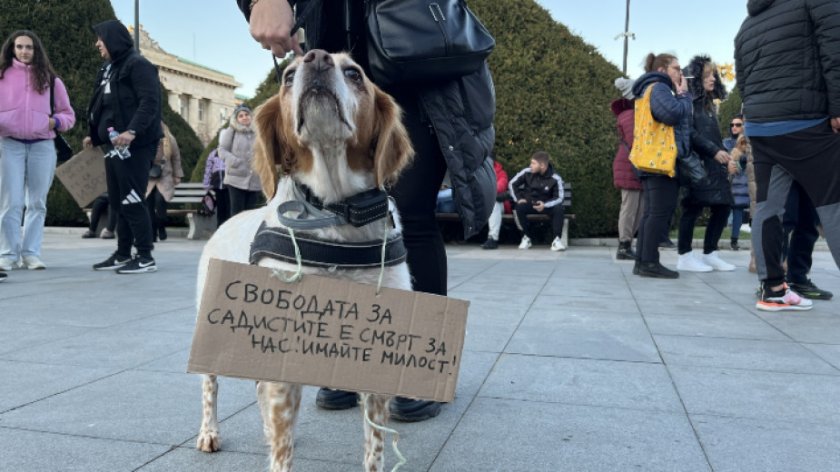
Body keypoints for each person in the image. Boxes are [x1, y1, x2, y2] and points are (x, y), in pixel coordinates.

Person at [237, 0, 496, 421]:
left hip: (417, 67)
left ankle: (421, 370)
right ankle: (341, 360)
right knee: (327, 216)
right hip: (334, 46)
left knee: (411, 216)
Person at [735, 0, 840, 311]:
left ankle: (773, 290)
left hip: (763, 128)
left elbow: (742, 78)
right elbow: (835, 51)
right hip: (808, 122)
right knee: (834, 204)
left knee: (767, 208)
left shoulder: (747, 23)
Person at [84, 20, 162, 274]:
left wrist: (132, 131)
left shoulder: (138, 65)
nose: (97, 44)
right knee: (118, 201)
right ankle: (122, 253)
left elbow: (149, 102)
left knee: (132, 198)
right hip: (113, 146)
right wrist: (93, 137)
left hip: (135, 146)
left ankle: (145, 256)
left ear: (113, 39)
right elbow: (102, 106)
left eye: (101, 39)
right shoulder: (108, 69)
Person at [0, 30, 76, 271]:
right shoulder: (2, 76)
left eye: (29, 47)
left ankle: (31, 253)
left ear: (36, 50)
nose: (24, 51)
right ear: (12, 49)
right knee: (10, 203)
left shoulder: (51, 80)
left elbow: (68, 115)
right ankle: (9, 254)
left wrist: (54, 122)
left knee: (37, 202)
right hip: (9, 144)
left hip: (43, 146)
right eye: (20, 47)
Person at [631, 52, 693, 279]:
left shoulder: (651, 89)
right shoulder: (658, 88)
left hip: (651, 159)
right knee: (658, 213)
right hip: (659, 160)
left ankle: (644, 261)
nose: (681, 73)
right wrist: (684, 95)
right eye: (676, 68)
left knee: (651, 213)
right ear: (663, 70)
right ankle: (648, 262)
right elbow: (673, 114)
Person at [675, 55, 735, 273]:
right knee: (692, 208)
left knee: (724, 205)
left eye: (714, 75)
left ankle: (710, 253)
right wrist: (714, 151)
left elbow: (714, 137)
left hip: (714, 164)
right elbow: (689, 133)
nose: (712, 79)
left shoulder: (709, 105)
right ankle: (685, 256)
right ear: (697, 78)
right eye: (707, 75)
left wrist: (726, 157)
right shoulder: (689, 103)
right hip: (697, 164)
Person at [781, 183, 833, 300]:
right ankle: (773, 281)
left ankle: (797, 279)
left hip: (812, 172)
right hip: (786, 169)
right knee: (783, 220)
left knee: (809, 222)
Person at [611, 77, 643, 260]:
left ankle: (627, 243)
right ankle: (624, 245)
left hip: (632, 164)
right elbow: (634, 141)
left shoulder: (632, 113)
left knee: (637, 208)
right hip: (630, 164)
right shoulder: (631, 115)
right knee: (630, 207)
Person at [508, 151, 566, 251]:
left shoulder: (555, 178)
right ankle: (526, 238)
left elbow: (560, 197)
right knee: (519, 207)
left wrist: (546, 205)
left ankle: (556, 241)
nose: (531, 165)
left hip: (546, 206)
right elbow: (512, 183)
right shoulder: (527, 172)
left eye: (533, 163)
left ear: (542, 165)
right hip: (529, 204)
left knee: (559, 208)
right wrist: (518, 198)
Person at [218, 104, 261, 217]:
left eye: (246, 115)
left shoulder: (258, 132)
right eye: (240, 116)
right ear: (236, 119)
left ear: (251, 117)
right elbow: (221, 150)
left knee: (250, 214)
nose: (244, 117)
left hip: (254, 179)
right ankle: (235, 235)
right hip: (235, 178)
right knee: (237, 213)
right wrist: (234, 161)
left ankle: (248, 235)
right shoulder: (231, 131)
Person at [146, 122, 183, 242]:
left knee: (160, 202)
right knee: (148, 205)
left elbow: (176, 158)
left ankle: (161, 227)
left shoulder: (170, 139)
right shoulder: (145, 138)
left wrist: (177, 175)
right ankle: (151, 234)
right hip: (148, 177)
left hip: (165, 176)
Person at [481, 160, 511, 249]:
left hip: (497, 204)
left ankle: (493, 238)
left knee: (493, 203)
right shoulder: (476, 171)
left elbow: (500, 187)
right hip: (479, 205)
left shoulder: (501, 173)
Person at [728, 135, 750, 251]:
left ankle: (735, 240)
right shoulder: (735, 154)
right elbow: (734, 171)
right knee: (737, 216)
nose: (744, 145)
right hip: (737, 190)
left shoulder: (750, 155)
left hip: (747, 190)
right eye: (742, 143)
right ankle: (734, 240)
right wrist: (741, 163)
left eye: (745, 143)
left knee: (741, 217)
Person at [202, 148, 230, 226]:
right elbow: (208, 169)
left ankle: (228, 228)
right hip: (217, 185)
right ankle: (220, 227)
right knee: (221, 208)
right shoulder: (213, 153)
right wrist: (206, 184)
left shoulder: (230, 151)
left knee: (229, 208)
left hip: (229, 184)